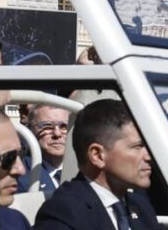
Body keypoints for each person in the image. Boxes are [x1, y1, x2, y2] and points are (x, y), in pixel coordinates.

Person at [33, 99, 161, 230]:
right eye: (137, 147)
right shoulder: (63, 214)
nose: (148, 157)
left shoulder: (139, 203)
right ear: (98, 155)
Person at [18, 104, 68, 199]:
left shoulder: (88, 171)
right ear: (30, 130)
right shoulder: (20, 180)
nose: (57, 134)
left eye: (64, 127)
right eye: (47, 126)